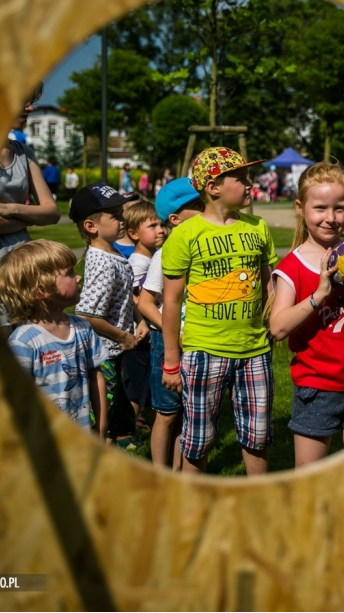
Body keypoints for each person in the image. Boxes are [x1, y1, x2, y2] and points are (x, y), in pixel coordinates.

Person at [160, 147, 278, 476]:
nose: (249, 184)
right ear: (213, 187)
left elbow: (270, 288)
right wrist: (171, 361)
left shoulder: (257, 227)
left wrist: (277, 325)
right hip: (203, 351)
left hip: (255, 350)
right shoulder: (185, 235)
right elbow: (170, 302)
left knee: (257, 436)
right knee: (198, 440)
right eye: (239, 179)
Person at [269, 163, 344, 468]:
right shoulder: (293, 267)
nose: (330, 218)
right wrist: (319, 295)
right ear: (300, 208)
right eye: (320, 208)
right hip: (316, 388)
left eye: (339, 208)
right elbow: (278, 328)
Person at [0, 240, 107, 437]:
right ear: (42, 291)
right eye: (69, 273)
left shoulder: (82, 328)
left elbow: (96, 377)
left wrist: (102, 428)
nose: (78, 277)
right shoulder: (23, 342)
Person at [138, 179, 206, 469]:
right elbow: (144, 301)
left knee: (188, 413)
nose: (205, 209)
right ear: (175, 219)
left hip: (198, 340)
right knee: (166, 414)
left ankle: (179, 471)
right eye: (197, 206)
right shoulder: (166, 253)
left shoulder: (208, 244)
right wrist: (173, 333)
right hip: (165, 344)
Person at [71, 183, 143, 445]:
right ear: (92, 226)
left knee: (115, 407)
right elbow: (87, 314)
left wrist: (139, 319)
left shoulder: (112, 254)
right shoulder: (102, 263)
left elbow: (124, 295)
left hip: (115, 351)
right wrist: (122, 336)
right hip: (103, 353)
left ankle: (117, 441)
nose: (123, 220)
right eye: (115, 216)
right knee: (102, 409)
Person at [0, 82, 60, 274]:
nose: (31, 108)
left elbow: (53, 213)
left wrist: (11, 208)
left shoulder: (24, 153)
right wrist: (32, 217)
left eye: (31, 101)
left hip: (23, 265)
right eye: (24, 101)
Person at [122, 200, 166, 432]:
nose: (160, 230)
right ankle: (127, 428)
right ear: (133, 234)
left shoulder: (154, 256)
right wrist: (142, 318)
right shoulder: (137, 262)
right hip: (139, 334)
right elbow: (131, 295)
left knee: (148, 377)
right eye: (152, 226)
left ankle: (139, 419)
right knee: (137, 382)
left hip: (150, 332)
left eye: (161, 225)